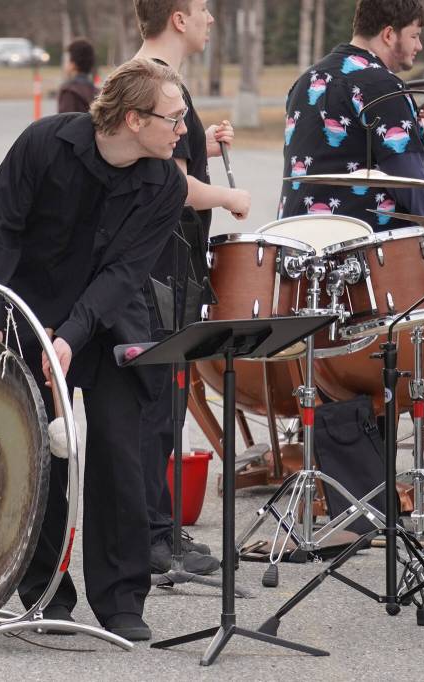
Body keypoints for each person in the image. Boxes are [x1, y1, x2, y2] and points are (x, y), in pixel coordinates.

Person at [0, 58, 189, 642]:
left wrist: (72, 335)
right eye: (175, 117)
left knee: (120, 455)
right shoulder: (43, 144)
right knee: (40, 457)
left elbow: (125, 272)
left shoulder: (165, 181)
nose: (183, 129)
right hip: (30, 318)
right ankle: (45, 591)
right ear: (135, 119)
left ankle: (121, 599)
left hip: (111, 324)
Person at [132, 0, 251, 578]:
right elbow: (170, 187)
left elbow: (169, 161)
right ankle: (154, 538)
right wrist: (228, 197)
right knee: (157, 403)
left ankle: (161, 529)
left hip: (167, 266)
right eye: (203, 9)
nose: (210, 18)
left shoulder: (159, 79)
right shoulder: (153, 79)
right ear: (177, 17)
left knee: (165, 403)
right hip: (159, 267)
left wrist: (201, 144)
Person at [279, 0, 424, 246]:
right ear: (388, 34)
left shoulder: (306, 80)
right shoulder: (382, 86)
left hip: (297, 248)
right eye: (414, 36)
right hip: (361, 256)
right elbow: (408, 177)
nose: (418, 45)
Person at [57, 38, 97, 114]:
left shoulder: (69, 92)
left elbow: (66, 123)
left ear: (73, 64)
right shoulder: (97, 92)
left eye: (67, 60)